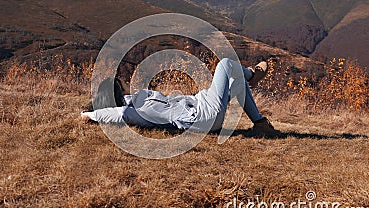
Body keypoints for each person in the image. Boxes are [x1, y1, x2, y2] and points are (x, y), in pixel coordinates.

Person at [81, 58, 281, 138]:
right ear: (117, 90)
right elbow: (120, 113)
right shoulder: (135, 112)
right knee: (226, 64)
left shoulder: (135, 100)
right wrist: (91, 115)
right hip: (202, 115)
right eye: (119, 81)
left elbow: (123, 106)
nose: (123, 80)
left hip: (202, 111)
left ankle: (260, 124)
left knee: (237, 84)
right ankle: (252, 75)